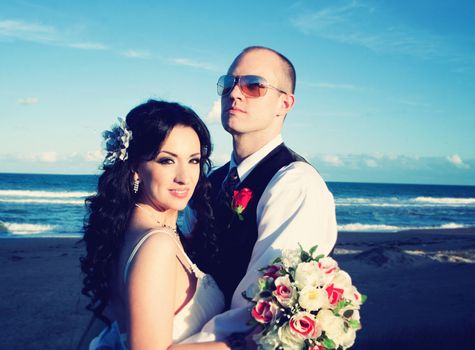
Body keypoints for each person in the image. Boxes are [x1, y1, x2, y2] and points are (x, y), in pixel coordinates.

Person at [181, 46, 338, 343]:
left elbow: (259, 311)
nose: (235, 94)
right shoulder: (211, 181)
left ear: (285, 104)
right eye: (229, 84)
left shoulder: (295, 185)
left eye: (254, 86)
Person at [80, 100, 231, 349]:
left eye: (193, 160)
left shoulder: (129, 227)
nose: (184, 177)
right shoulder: (156, 243)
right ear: (136, 168)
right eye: (167, 160)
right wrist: (240, 344)